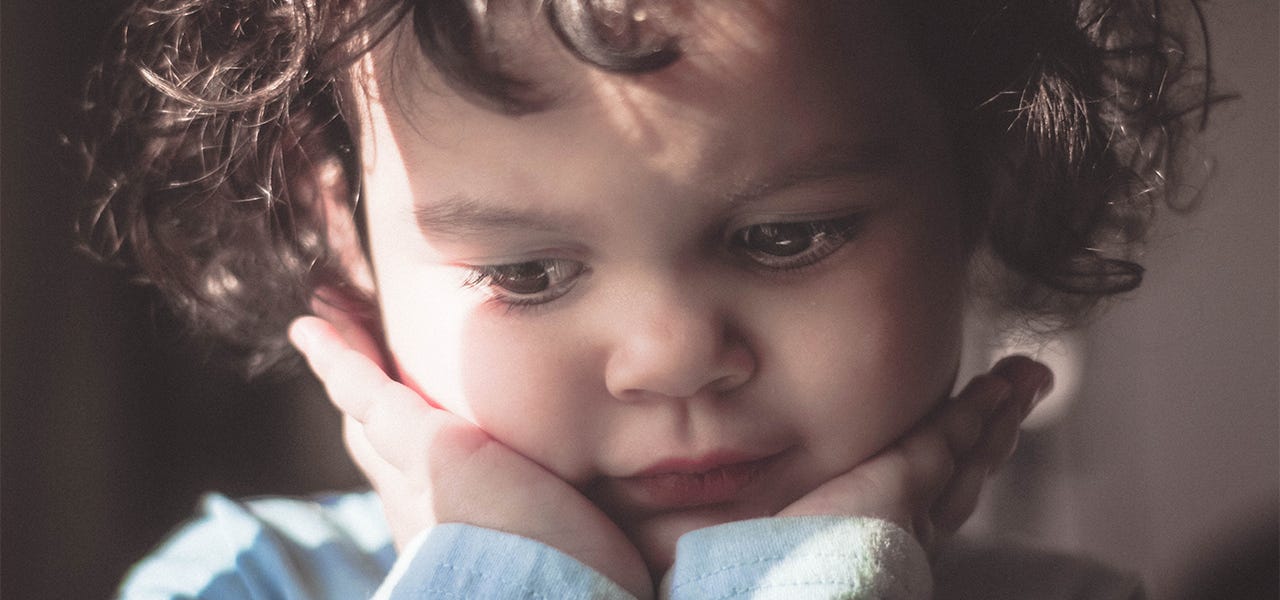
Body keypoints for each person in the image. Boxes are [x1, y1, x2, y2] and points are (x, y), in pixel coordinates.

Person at [78, 0, 1216, 597]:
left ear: (976, 182)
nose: (668, 356)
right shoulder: (233, 588)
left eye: (783, 236)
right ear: (346, 234)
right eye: (524, 274)